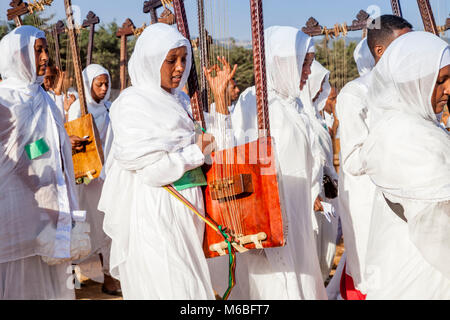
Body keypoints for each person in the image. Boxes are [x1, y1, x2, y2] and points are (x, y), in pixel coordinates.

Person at [98, 23, 223, 300]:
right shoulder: (132, 104)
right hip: (158, 212)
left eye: (183, 59)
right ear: (150, 61)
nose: (180, 67)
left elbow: (212, 141)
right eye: (171, 60)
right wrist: (195, 153)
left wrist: (220, 99)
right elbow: (152, 172)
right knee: (175, 289)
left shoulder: (179, 100)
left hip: (190, 211)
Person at [226, 26, 327, 300]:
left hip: (298, 212)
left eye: (308, 63)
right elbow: (239, 155)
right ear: (284, 63)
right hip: (270, 215)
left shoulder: (295, 105)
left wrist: (313, 190)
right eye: (303, 63)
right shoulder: (253, 101)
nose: (308, 71)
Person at [353, 31, 450, 299]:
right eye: (440, 80)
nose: (449, 89)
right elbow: (436, 227)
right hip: (425, 271)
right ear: (413, 82)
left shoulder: (416, 125)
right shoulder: (406, 135)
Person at [335, 14, 412, 300]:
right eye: (403, 45)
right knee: (374, 276)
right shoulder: (355, 93)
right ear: (379, 50)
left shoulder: (412, 88)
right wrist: (397, 144)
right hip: (371, 201)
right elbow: (353, 160)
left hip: (410, 198)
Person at [0, 26, 80, 299]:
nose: (46, 56)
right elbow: (12, 157)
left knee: (57, 286)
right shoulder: (6, 99)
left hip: (54, 208)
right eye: (38, 50)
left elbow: (44, 148)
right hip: (19, 213)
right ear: (17, 56)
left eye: (45, 49)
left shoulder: (44, 97)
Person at [67, 64, 120, 295]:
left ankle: (110, 277)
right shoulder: (79, 108)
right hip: (86, 180)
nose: (104, 88)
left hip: (108, 177)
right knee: (84, 228)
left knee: (109, 229)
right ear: (88, 85)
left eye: (106, 83)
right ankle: (74, 280)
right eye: (99, 84)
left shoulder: (111, 108)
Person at [299, 60, 339, 282]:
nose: (323, 89)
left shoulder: (317, 116)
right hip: (311, 194)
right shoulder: (302, 116)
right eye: (320, 83)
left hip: (327, 192)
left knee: (328, 240)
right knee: (313, 245)